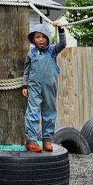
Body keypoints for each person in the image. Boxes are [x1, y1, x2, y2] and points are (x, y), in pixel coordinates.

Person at [21, 18, 67, 153]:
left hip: (49, 87)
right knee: (33, 112)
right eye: (37, 37)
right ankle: (31, 140)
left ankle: (47, 140)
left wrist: (61, 29)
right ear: (33, 39)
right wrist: (24, 86)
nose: (41, 40)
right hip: (34, 87)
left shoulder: (53, 51)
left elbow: (63, 44)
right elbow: (27, 71)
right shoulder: (31, 54)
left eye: (43, 37)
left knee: (49, 112)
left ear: (48, 38)